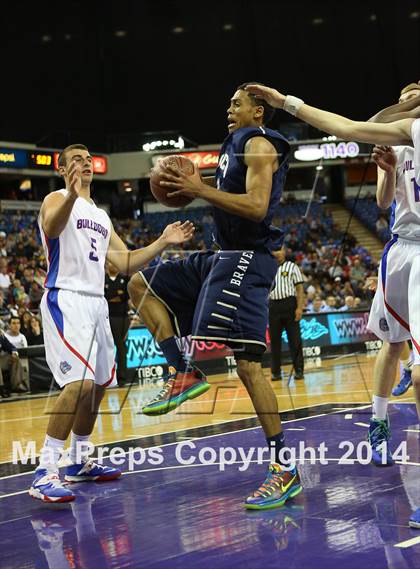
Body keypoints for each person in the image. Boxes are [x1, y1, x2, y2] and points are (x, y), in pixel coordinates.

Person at [245, 81, 420, 527]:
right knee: (390, 343)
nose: (411, 97)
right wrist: (287, 103)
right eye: (406, 93)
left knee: (418, 368)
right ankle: (379, 421)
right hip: (400, 249)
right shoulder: (406, 134)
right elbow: (351, 129)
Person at [128, 83, 303, 510]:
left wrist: (202, 191)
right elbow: (221, 193)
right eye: (228, 102)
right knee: (139, 283)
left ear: (259, 112)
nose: (228, 108)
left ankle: (284, 470)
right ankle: (183, 371)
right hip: (221, 255)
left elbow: (258, 206)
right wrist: (189, 182)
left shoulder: (260, 145)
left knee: (248, 366)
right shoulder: (232, 148)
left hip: (249, 258)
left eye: (237, 103)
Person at [30, 143, 194, 503]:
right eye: (76, 160)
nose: (84, 164)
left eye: (88, 160)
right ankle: (44, 470)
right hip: (66, 298)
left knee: (99, 387)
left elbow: (124, 264)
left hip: (97, 305)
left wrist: (163, 241)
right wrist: (71, 194)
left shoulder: (101, 217)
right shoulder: (56, 199)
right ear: (63, 170)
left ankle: (79, 461)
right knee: (79, 385)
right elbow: (53, 227)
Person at [268, 246, 305, 381]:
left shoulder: (292, 266)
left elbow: (300, 288)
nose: (277, 253)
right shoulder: (267, 267)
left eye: (280, 250)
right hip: (273, 306)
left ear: (284, 252)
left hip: (290, 305)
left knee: (295, 340)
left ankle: (299, 370)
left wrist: (299, 308)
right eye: (275, 250)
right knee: (275, 342)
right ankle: (276, 372)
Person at [0, 328, 21, 397]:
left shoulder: (1, 335)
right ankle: (1, 388)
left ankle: (15, 386)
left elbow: (10, 346)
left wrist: (14, 352)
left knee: (15, 358)